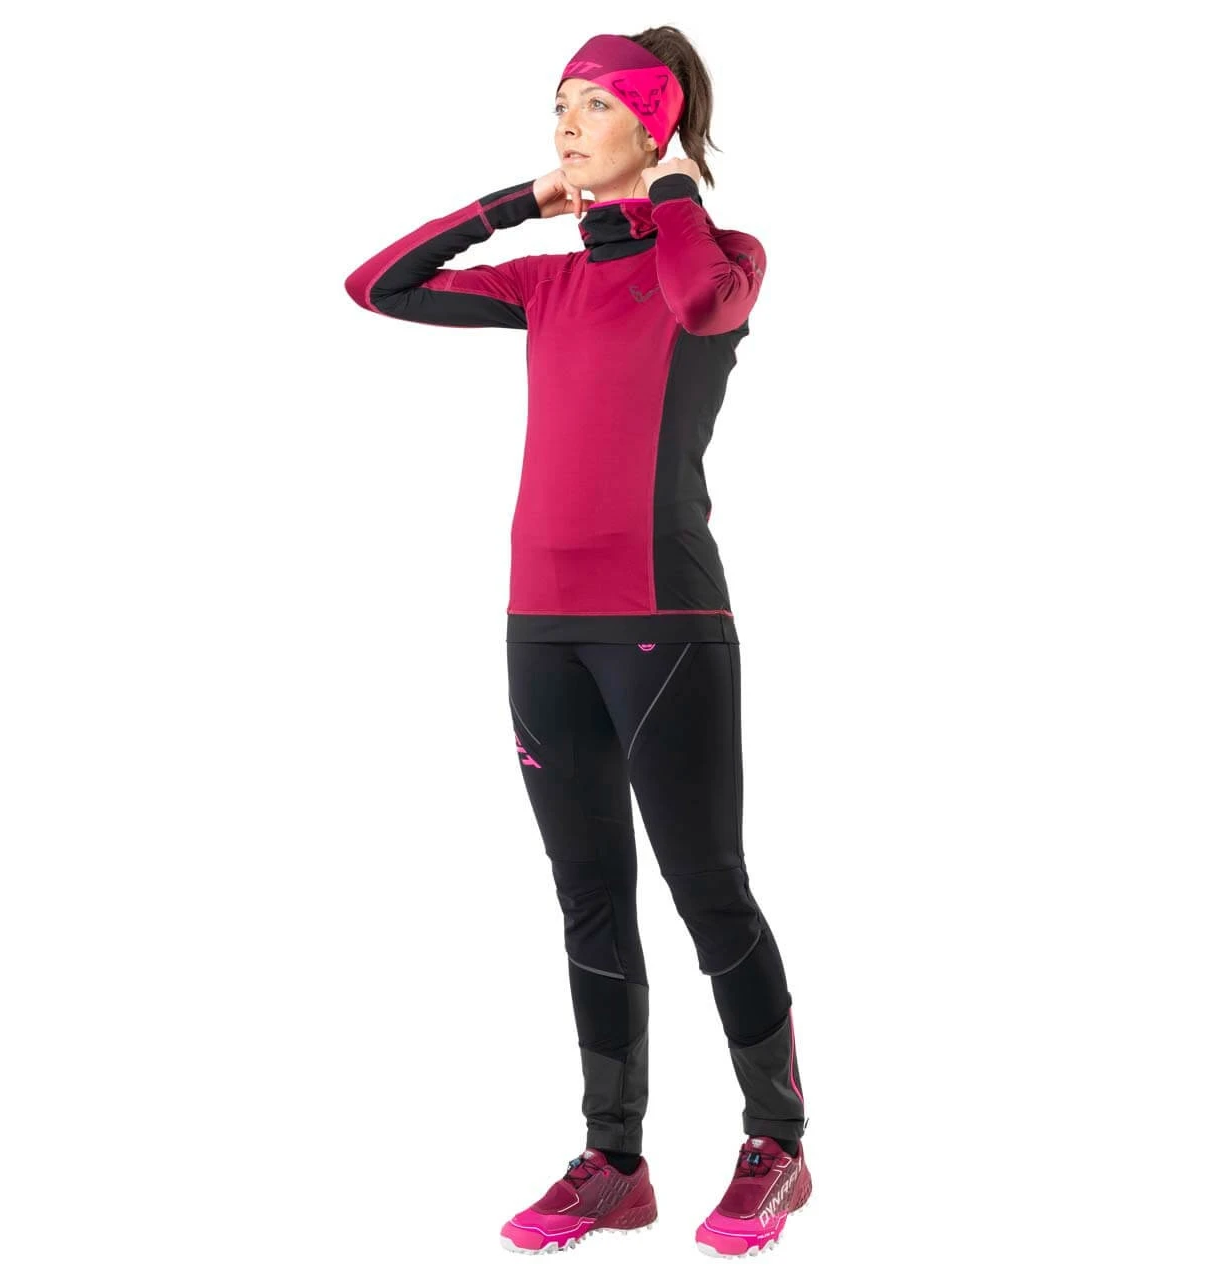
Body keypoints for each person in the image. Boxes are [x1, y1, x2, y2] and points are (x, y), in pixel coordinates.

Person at [344, 26, 812, 1259]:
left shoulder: (722, 259)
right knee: (587, 894)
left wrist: (674, 189)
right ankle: (614, 1160)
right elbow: (376, 285)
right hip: (540, 628)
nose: (564, 122)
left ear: (654, 126)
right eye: (557, 102)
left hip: (665, 626)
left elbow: (698, 299)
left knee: (706, 885)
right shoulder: (545, 282)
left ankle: (776, 1142)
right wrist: (523, 201)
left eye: (593, 105)